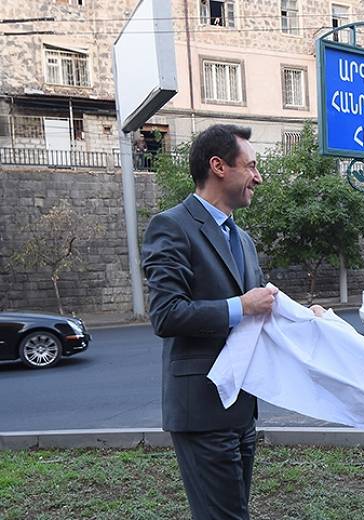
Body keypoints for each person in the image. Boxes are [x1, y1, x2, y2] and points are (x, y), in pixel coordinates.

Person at [141, 124, 277, 519]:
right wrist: (241, 306)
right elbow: (166, 314)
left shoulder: (244, 239)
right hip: (200, 410)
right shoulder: (171, 226)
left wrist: (303, 316)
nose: (258, 176)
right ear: (218, 166)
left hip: (240, 405)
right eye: (250, 166)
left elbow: (257, 307)